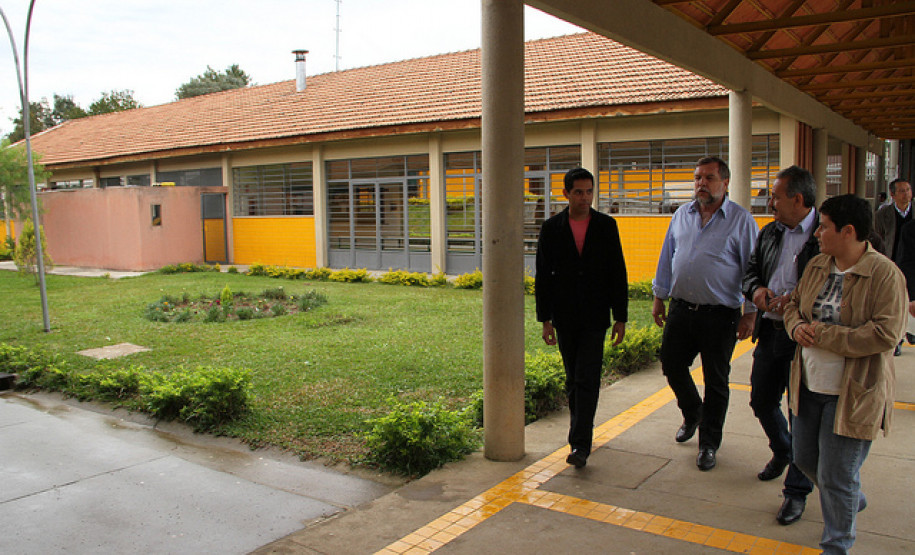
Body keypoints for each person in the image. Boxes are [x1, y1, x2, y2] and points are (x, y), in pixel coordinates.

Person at [784, 194, 906, 554]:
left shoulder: (884, 274)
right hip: (809, 384)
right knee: (805, 459)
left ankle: (837, 545)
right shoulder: (818, 265)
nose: (817, 233)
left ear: (848, 231)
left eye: (823, 226)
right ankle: (850, 498)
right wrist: (795, 328)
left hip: (854, 393)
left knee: (837, 475)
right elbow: (794, 306)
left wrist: (823, 334)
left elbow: (886, 334)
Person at [651, 156, 758, 471]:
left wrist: (750, 312)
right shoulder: (682, 215)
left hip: (720, 315)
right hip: (682, 309)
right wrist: (660, 296)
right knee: (671, 364)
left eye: (709, 178)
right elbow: (667, 255)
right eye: (697, 177)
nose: (701, 183)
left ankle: (709, 444)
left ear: (725, 183)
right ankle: (693, 412)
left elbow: (752, 270)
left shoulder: (741, 220)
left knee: (716, 380)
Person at [535, 167, 628, 469]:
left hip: (595, 316)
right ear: (566, 194)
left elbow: (617, 271)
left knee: (587, 377)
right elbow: (543, 277)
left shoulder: (606, 226)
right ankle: (580, 432)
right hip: (564, 316)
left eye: (589, 191)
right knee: (574, 378)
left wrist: (620, 316)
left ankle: (580, 444)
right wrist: (545, 318)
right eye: (579, 192)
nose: (585, 197)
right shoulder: (551, 229)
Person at [741, 166, 816, 525]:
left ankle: (796, 492)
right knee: (761, 399)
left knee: (799, 412)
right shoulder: (769, 232)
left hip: (805, 337)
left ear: (797, 200)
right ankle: (784, 450)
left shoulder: (823, 233)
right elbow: (751, 271)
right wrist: (757, 292)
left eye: (775, 196)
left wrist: (798, 303)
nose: (769, 202)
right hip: (771, 331)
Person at [873, 177, 913, 355]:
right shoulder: (883, 215)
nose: (907, 194)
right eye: (902, 191)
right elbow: (877, 238)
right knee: (893, 302)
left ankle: (909, 332)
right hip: (892, 261)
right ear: (893, 194)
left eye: (908, 190)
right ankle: (897, 338)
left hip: (911, 264)